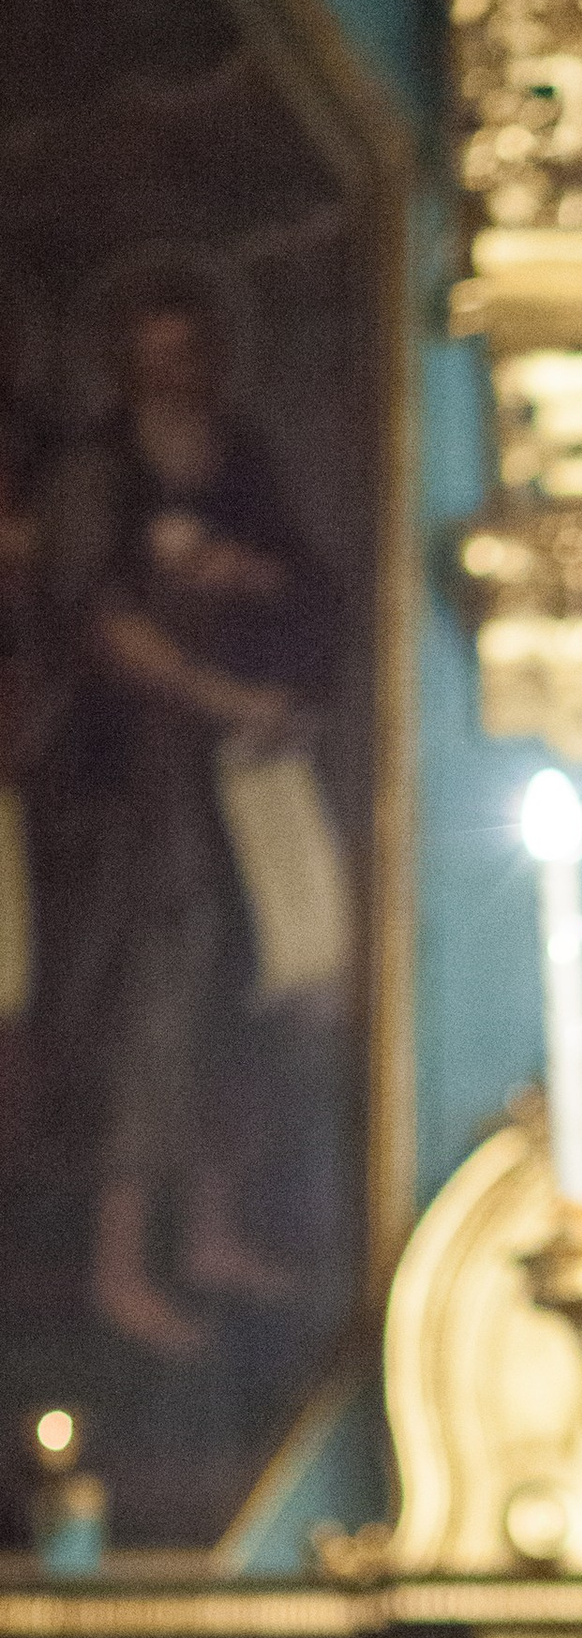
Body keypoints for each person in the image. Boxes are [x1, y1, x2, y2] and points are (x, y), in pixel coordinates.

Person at [37, 274, 337, 1357]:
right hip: (127, 790)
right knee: (146, 1014)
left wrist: (254, 586)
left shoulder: (240, 459)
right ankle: (119, 1266)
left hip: (236, 783)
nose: (178, 379)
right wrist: (223, 695)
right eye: (157, 360)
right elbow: (104, 627)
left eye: (192, 356)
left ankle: (209, 1234)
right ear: (128, 366)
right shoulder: (95, 474)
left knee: (230, 997)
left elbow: (310, 586)